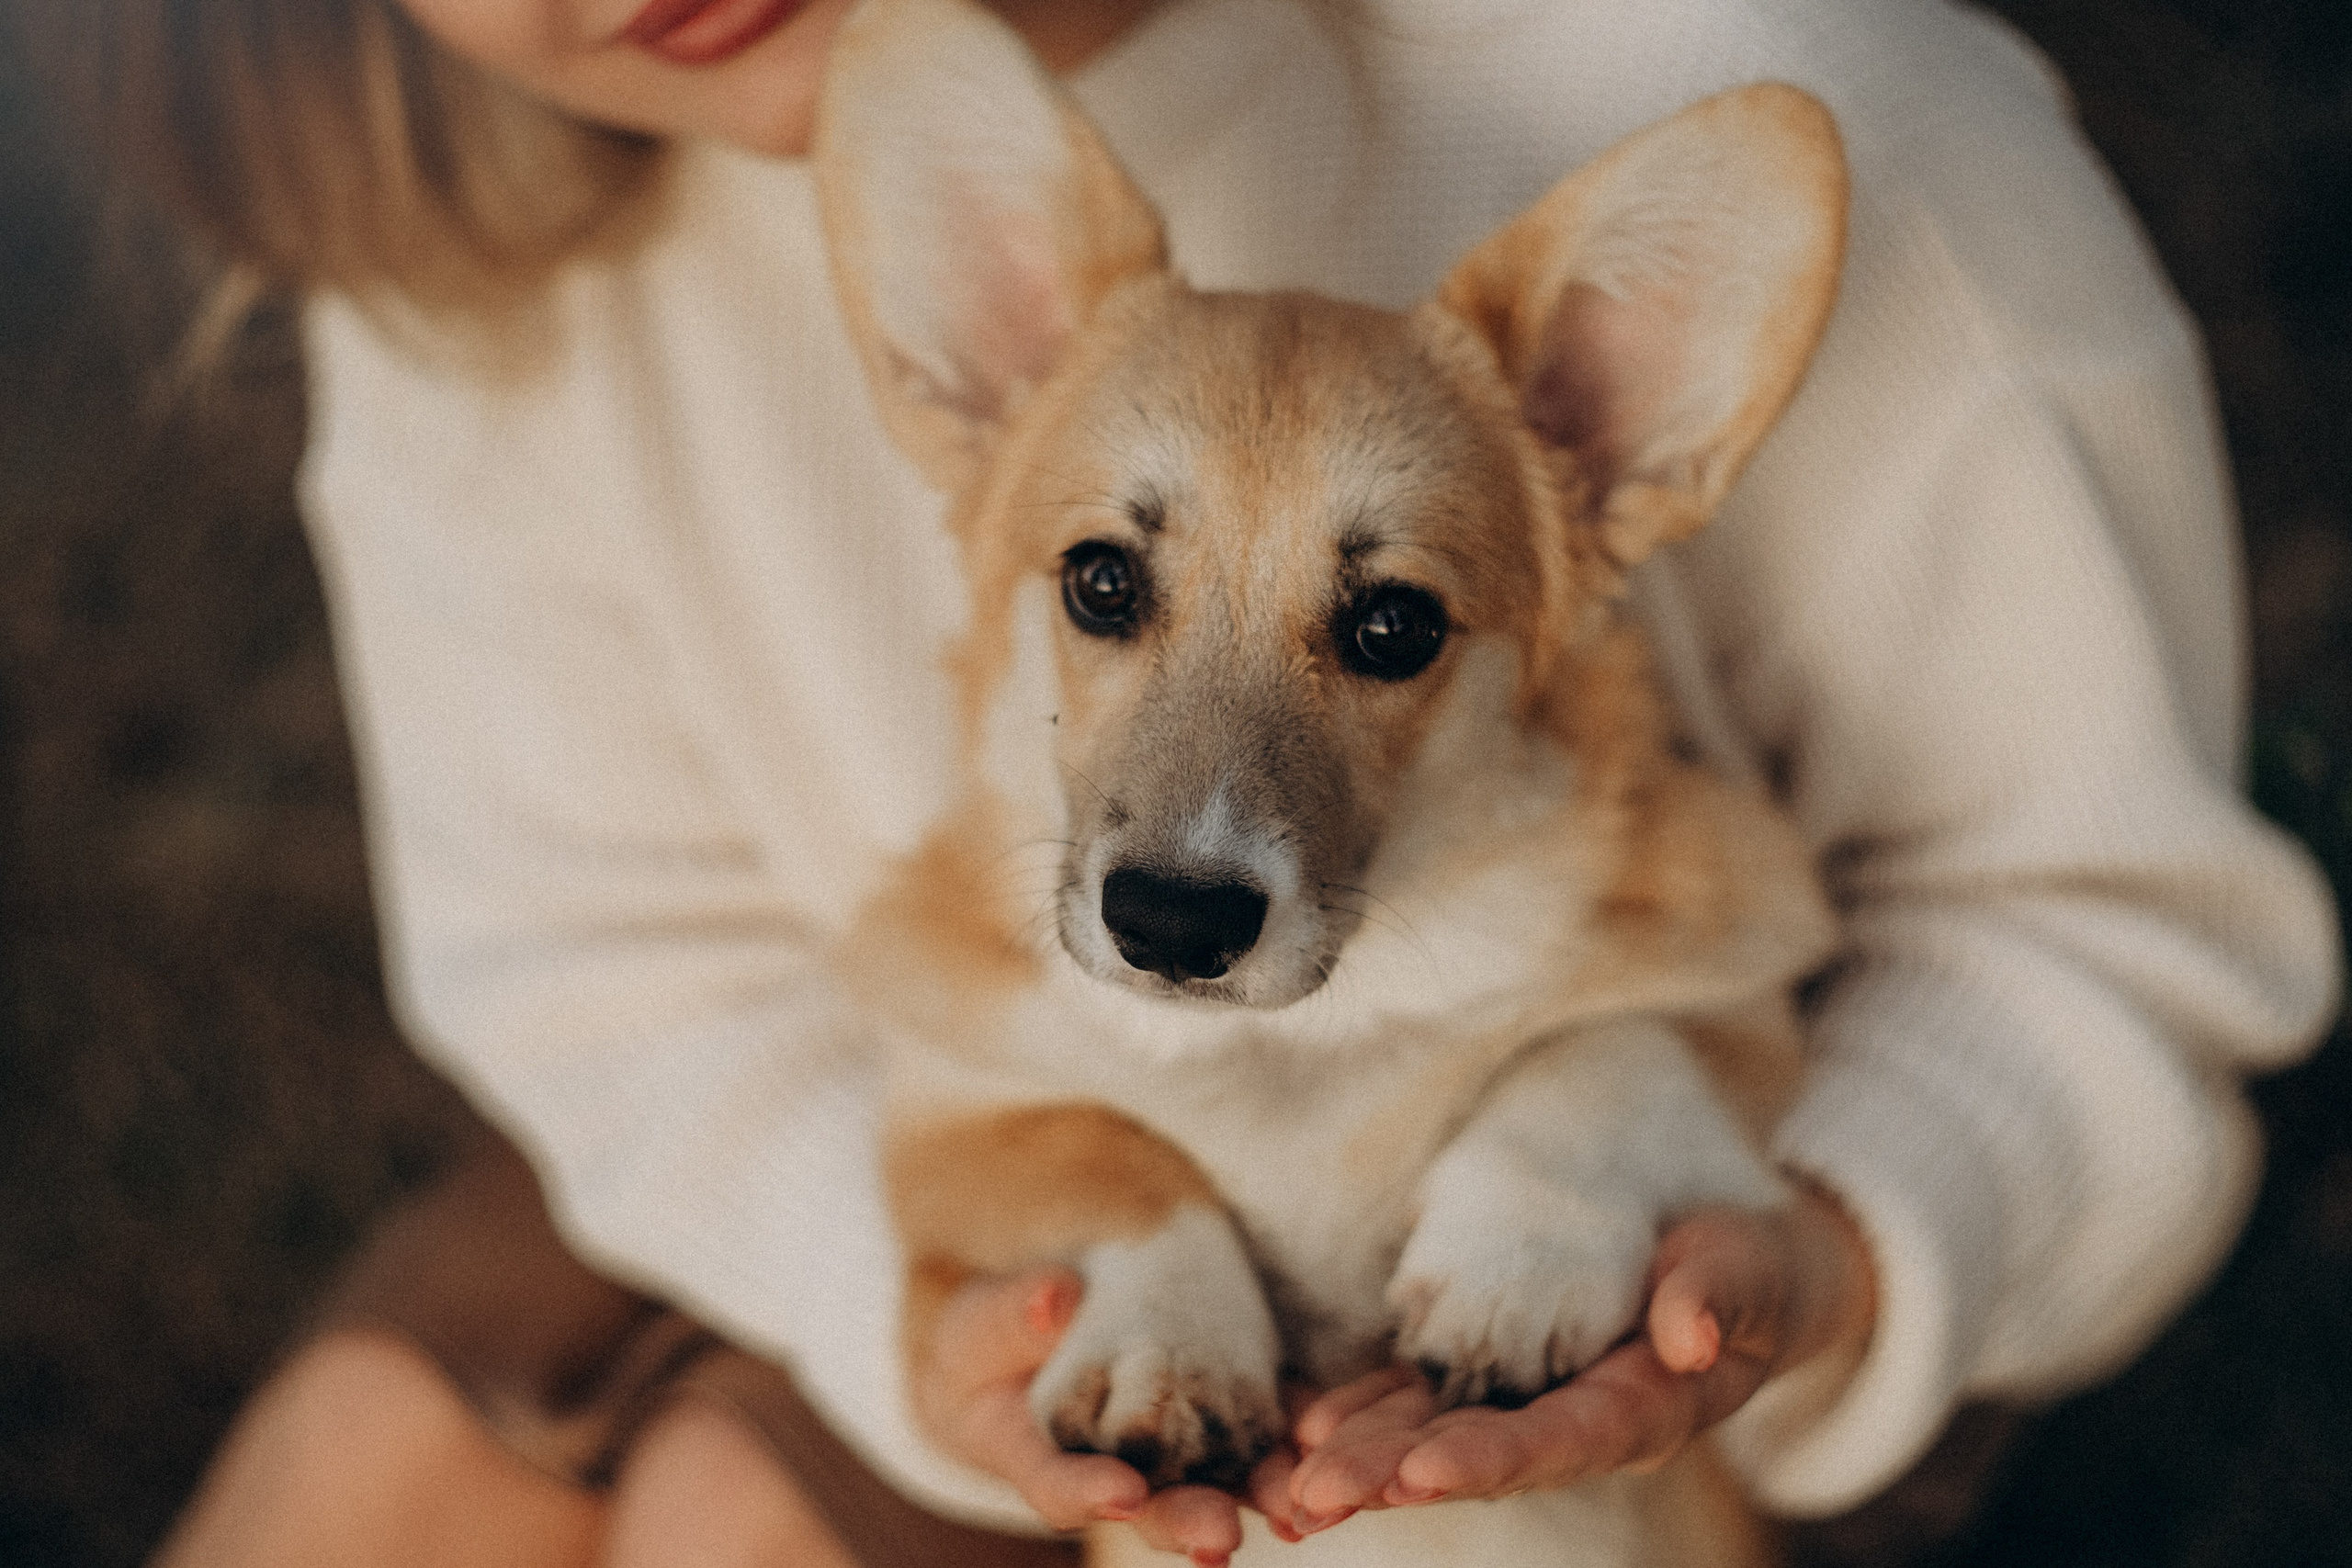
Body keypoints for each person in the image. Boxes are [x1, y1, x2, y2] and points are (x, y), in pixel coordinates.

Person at [31, 0, 2336, 1562]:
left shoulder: (1740, 77)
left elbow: (2097, 939)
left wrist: (1799, 1254)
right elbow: (609, 984)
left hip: (1621, 1213)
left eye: (1380, 621)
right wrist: (917, 1314)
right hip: (913, 1114)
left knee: (737, 1519)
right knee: (374, 1468)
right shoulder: (499, 279)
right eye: (1110, 587)